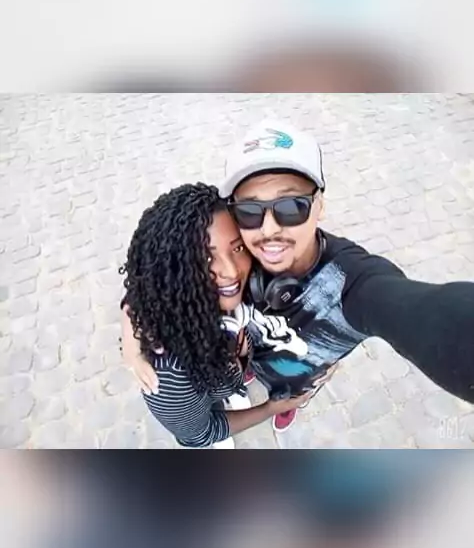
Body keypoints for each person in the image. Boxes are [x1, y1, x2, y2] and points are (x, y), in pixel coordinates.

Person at [125, 120, 474, 435]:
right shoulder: (237, 254)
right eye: (249, 210)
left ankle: (287, 407)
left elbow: (423, 313)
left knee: (290, 397)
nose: (268, 230)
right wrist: (132, 334)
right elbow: (161, 274)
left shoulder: (356, 283)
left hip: (295, 381)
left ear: (319, 205)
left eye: (291, 207)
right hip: (244, 358)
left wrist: (277, 405)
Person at [119, 183, 311, 448]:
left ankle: (232, 391)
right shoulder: (169, 376)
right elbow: (199, 434)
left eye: (237, 248)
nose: (231, 271)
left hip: (228, 376)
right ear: (174, 271)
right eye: (205, 259)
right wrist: (270, 408)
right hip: (206, 401)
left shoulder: (249, 289)